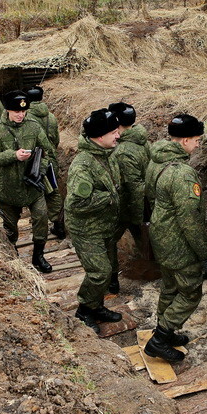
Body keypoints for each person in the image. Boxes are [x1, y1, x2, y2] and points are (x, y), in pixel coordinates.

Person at [143, 114, 207, 362]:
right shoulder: (182, 174)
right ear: (184, 140)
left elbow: (150, 197)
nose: (197, 145)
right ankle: (159, 340)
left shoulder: (156, 161)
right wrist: (205, 255)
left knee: (170, 286)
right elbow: (190, 220)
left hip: (161, 236)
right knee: (191, 292)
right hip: (179, 243)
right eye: (196, 140)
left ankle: (165, 330)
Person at [65, 109, 123, 334]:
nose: (118, 136)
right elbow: (76, 204)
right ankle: (84, 310)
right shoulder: (83, 165)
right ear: (99, 137)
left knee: (106, 272)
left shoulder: (106, 154)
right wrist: (108, 198)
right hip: (86, 229)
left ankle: (96, 306)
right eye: (114, 132)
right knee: (99, 272)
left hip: (104, 226)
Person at [0, 91, 55, 273]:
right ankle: (12, 252)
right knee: (10, 225)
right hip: (9, 187)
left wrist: (39, 170)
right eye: (16, 111)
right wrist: (13, 155)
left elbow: (47, 151)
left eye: (23, 111)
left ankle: (38, 256)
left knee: (41, 218)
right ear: (7, 110)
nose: (21, 115)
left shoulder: (33, 126)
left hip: (33, 186)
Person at [106, 102, 151, 294]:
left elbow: (133, 187)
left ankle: (112, 279)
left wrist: (136, 216)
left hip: (127, 207)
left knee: (108, 240)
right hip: (144, 203)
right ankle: (157, 270)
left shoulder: (123, 150)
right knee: (147, 240)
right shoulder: (142, 139)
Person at [26, 86, 65, 239]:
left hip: (33, 161)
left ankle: (39, 230)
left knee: (36, 192)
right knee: (53, 191)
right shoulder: (51, 117)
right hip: (50, 159)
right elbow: (55, 140)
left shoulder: (26, 118)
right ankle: (58, 224)